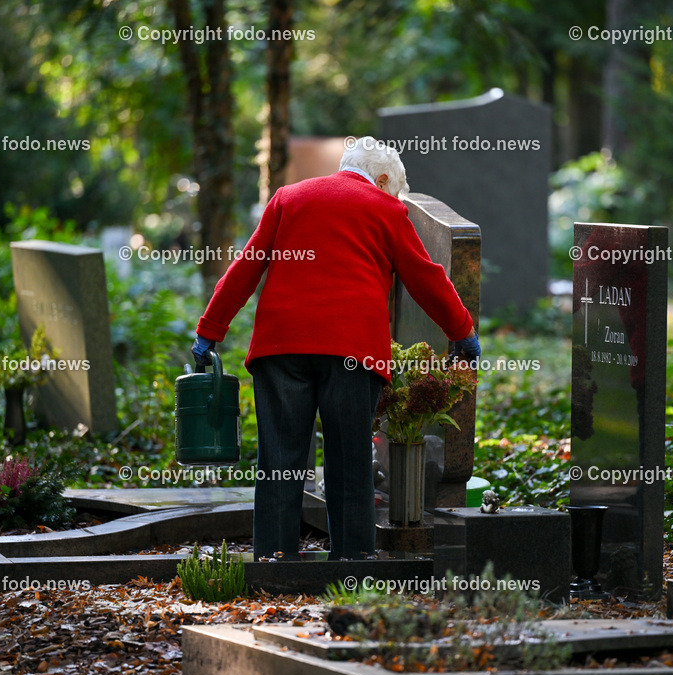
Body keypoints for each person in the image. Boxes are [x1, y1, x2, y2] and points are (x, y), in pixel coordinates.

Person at [191, 136, 480, 560]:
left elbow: (247, 264)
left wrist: (210, 330)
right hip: (351, 353)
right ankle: (352, 560)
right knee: (350, 460)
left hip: (281, 349)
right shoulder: (386, 209)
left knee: (281, 460)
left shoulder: (288, 198)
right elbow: (425, 276)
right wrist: (463, 331)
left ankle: (274, 561)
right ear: (381, 178)